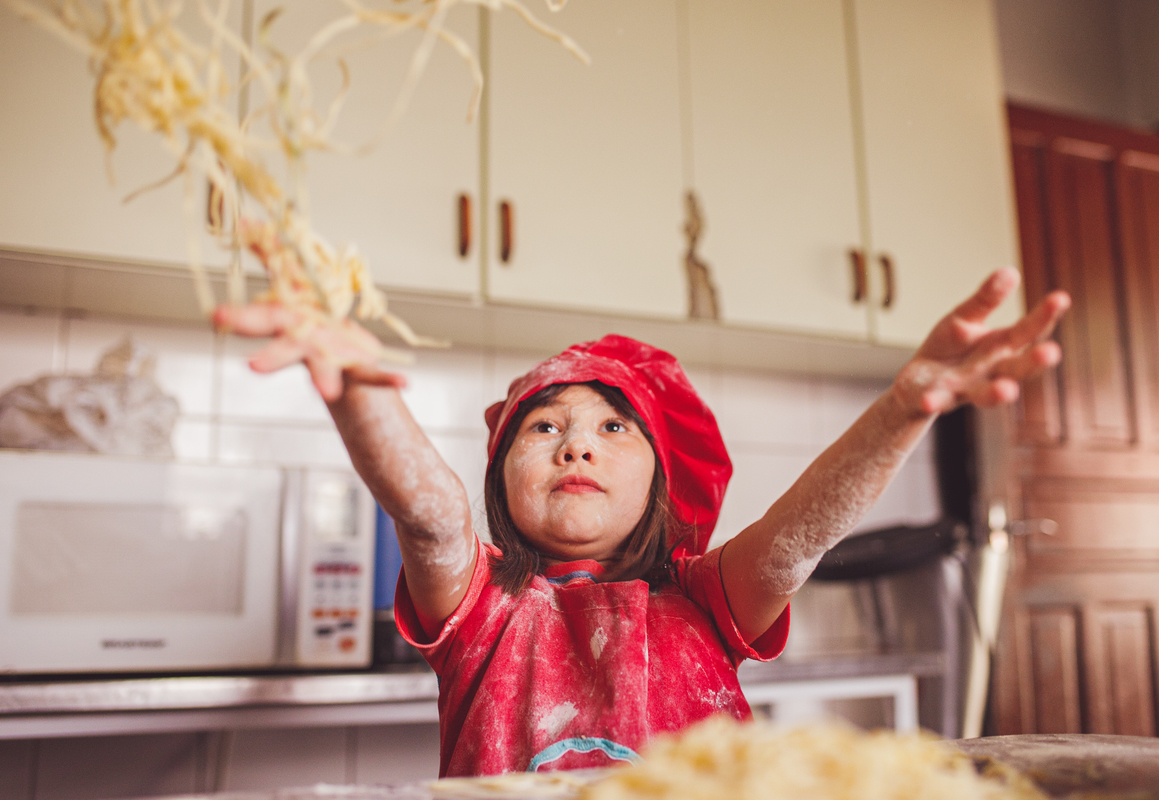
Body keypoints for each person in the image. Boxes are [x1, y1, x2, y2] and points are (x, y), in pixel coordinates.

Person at [214, 266, 1069, 777]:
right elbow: (430, 515)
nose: (575, 448)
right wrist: (359, 387)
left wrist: (902, 412)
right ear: (500, 478)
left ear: (661, 482)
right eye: (543, 428)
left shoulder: (704, 599)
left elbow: (801, 534)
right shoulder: (480, 610)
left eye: (612, 429)